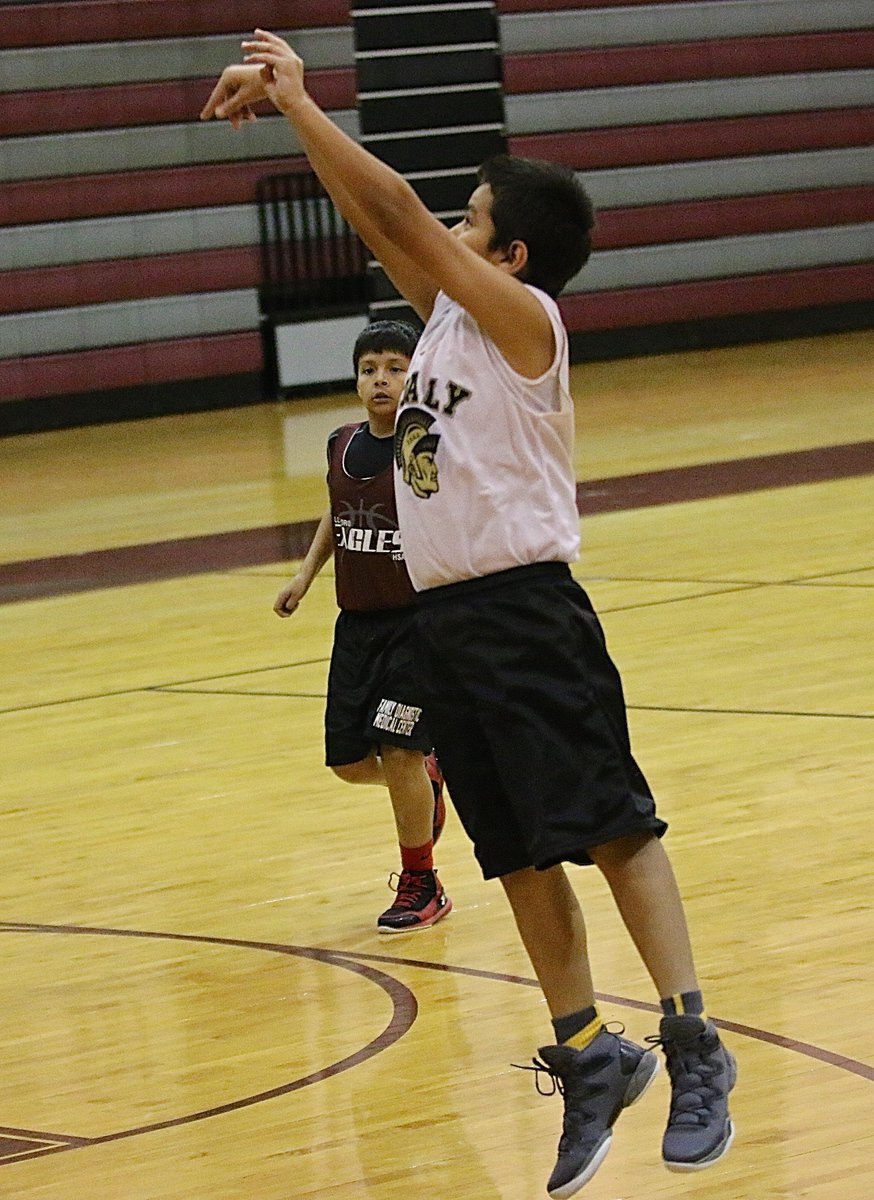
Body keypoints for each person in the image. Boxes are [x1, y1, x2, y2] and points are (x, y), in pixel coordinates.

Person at [202, 32, 736, 1196]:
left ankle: (694, 1038)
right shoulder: (444, 323)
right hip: (446, 625)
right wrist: (311, 137)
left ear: (517, 252)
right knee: (515, 853)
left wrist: (300, 101)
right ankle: (593, 1052)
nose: (449, 227)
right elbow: (379, 218)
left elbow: (392, 212)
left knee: (608, 827)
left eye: (471, 217)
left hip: (527, 610)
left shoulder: (523, 324)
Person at [272, 319, 451, 934]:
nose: (381, 379)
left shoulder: (427, 445)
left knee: (398, 747)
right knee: (349, 762)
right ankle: (426, 780)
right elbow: (337, 511)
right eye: (370, 368)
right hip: (357, 627)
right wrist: (304, 576)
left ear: (417, 376)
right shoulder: (340, 444)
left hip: (416, 628)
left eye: (396, 368)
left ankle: (422, 884)